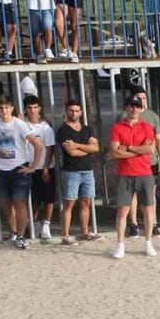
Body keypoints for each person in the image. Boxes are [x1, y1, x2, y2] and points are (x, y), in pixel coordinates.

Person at [0, 95, 43, 248]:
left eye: (6, 107)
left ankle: (22, 236)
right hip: (1, 168)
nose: (4, 110)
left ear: (12, 108)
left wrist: (33, 167)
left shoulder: (19, 124)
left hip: (18, 168)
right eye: (1, 108)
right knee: (6, 204)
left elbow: (38, 145)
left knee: (20, 203)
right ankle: (14, 232)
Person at [109, 95, 159, 258]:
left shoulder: (147, 126)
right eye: (131, 106)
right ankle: (120, 244)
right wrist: (137, 150)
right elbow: (114, 151)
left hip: (144, 172)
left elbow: (150, 150)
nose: (134, 109)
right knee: (122, 210)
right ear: (126, 107)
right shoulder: (117, 127)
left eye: (137, 106)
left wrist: (128, 148)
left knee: (147, 209)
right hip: (125, 174)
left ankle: (148, 243)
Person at [56, 99, 101, 246]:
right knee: (69, 203)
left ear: (81, 112)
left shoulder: (87, 129)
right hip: (71, 172)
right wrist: (86, 148)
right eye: (71, 110)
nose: (74, 113)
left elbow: (96, 148)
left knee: (86, 202)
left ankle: (85, 232)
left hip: (87, 171)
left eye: (76, 111)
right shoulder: (63, 130)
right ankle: (66, 236)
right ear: (66, 111)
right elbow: (71, 152)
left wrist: (77, 146)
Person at [125, 88, 160, 239]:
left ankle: (152, 224)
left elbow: (157, 140)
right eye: (138, 98)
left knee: (150, 194)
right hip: (131, 161)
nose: (141, 101)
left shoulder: (152, 116)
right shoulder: (124, 116)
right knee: (133, 194)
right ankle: (134, 224)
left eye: (143, 97)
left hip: (151, 161)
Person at [23, 96, 58, 242]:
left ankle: (46, 225)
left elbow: (50, 149)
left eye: (35, 107)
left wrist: (45, 169)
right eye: (29, 108)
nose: (32, 111)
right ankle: (35, 224)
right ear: (25, 109)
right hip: (28, 166)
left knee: (49, 198)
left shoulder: (46, 128)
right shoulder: (22, 124)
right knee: (34, 200)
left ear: (40, 109)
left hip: (45, 167)